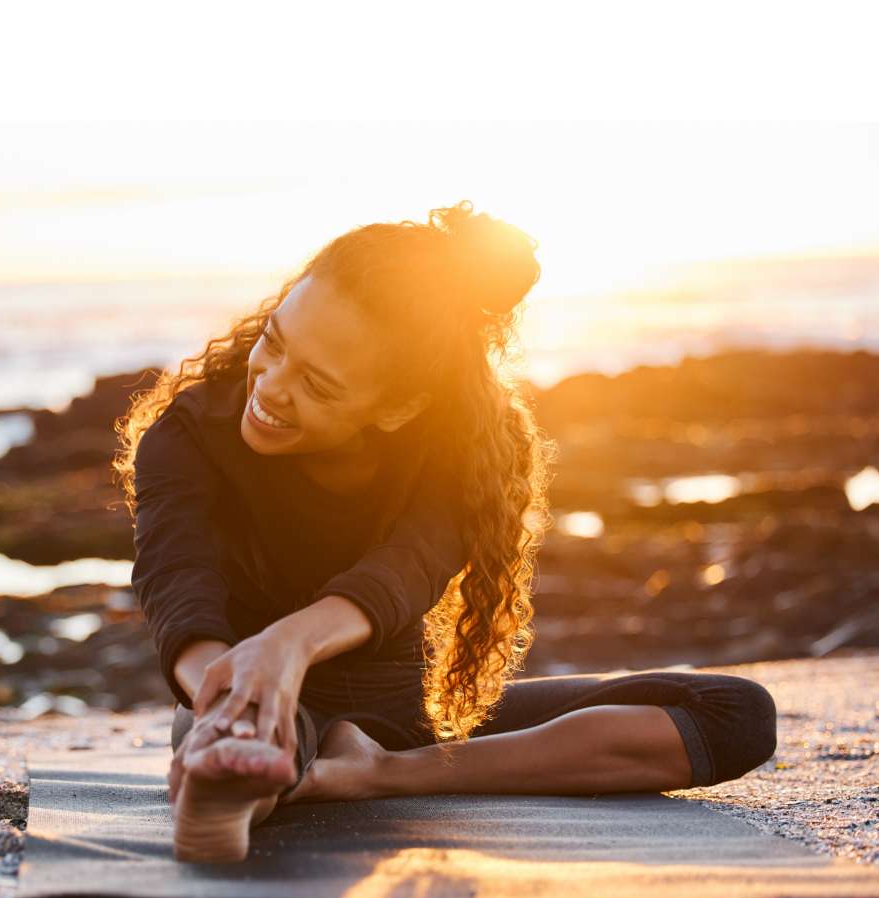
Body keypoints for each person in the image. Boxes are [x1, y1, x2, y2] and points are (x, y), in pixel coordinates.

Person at [118, 202, 776, 863]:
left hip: (412, 722)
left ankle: (375, 774)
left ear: (399, 406)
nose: (270, 385)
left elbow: (404, 572)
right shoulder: (189, 435)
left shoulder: (460, 454)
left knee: (735, 714)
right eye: (275, 339)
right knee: (247, 737)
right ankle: (234, 772)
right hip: (258, 701)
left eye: (316, 383)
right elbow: (177, 578)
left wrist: (292, 642)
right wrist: (229, 690)